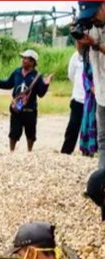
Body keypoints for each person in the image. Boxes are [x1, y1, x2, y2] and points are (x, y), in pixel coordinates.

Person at [0, 50, 53, 152]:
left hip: (30, 110)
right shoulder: (17, 72)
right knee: (13, 133)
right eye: (23, 58)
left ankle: (29, 152)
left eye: (26, 59)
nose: (23, 60)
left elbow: (40, 94)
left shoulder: (37, 76)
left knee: (30, 134)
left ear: (32, 62)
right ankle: (12, 152)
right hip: (17, 109)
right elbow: (7, 84)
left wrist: (46, 84)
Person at [75, 1, 105, 168]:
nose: (92, 19)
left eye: (94, 14)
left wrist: (95, 44)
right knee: (103, 141)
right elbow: (83, 54)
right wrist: (80, 41)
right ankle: (102, 181)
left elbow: (97, 46)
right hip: (101, 94)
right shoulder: (92, 25)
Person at [60, 48, 86, 154]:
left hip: (94, 99)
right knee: (73, 127)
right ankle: (65, 153)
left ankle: (88, 153)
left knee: (90, 128)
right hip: (78, 98)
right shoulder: (76, 56)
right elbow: (71, 75)